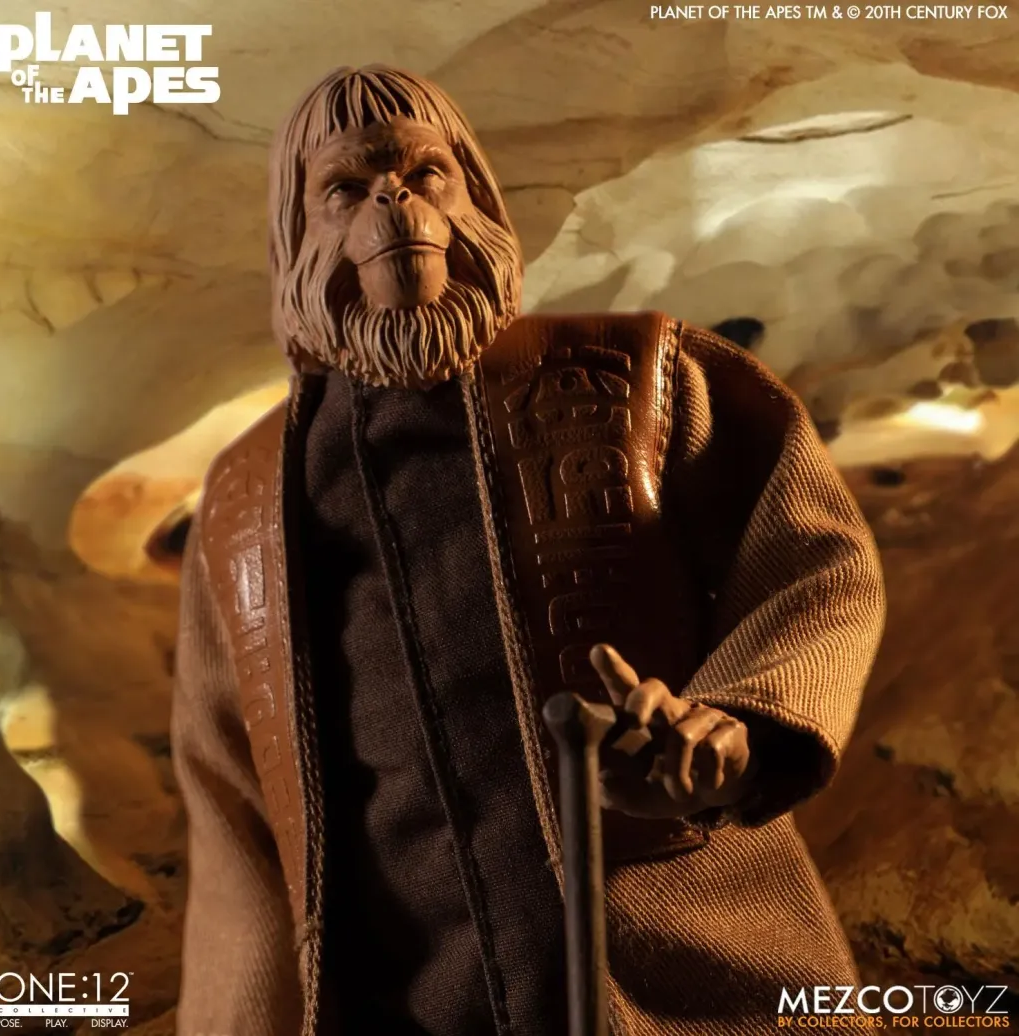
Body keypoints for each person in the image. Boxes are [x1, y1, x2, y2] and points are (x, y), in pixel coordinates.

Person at [171, 64, 886, 1036]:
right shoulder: (248, 498)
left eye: (425, 173)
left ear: (474, 198)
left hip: (681, 973)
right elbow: (233, 816)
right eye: (345, 186)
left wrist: (737, 723)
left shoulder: (641, 376)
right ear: (297, 234)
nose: (393, 202)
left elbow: (813, 565)